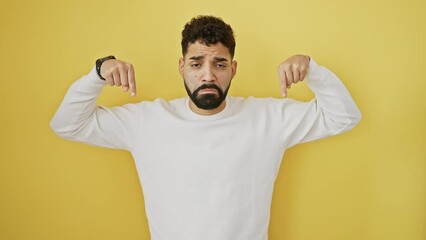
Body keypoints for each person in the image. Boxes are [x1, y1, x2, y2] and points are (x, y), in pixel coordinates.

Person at [50, 15, 361, 240]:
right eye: (197, 64)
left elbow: (344, 117)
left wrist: (311, 68)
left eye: (220, 64)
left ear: (233, 69)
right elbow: (67, 125)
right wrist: (98, 72)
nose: (208, 76)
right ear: (182, 67)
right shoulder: (146, 121)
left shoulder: (268, 117)